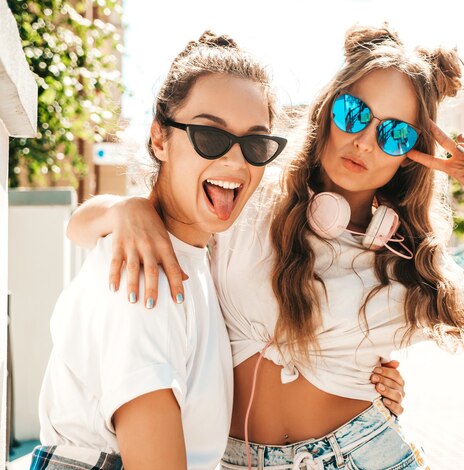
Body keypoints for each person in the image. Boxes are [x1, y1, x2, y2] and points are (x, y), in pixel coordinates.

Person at [67, 24, 464, 469]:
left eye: (394, 134)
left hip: (363, 452)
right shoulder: (245, 196)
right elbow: (80, 227)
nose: (364, 141)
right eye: (355, 114)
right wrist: (127, 209)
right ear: (327, 110)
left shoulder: (413, 267)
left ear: (411, 155)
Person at [31, 31, 288, 470]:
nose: (236, 161)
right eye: (210, 135)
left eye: (256, 143)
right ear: (159, 139)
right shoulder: (144, 275)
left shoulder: (200, 255)